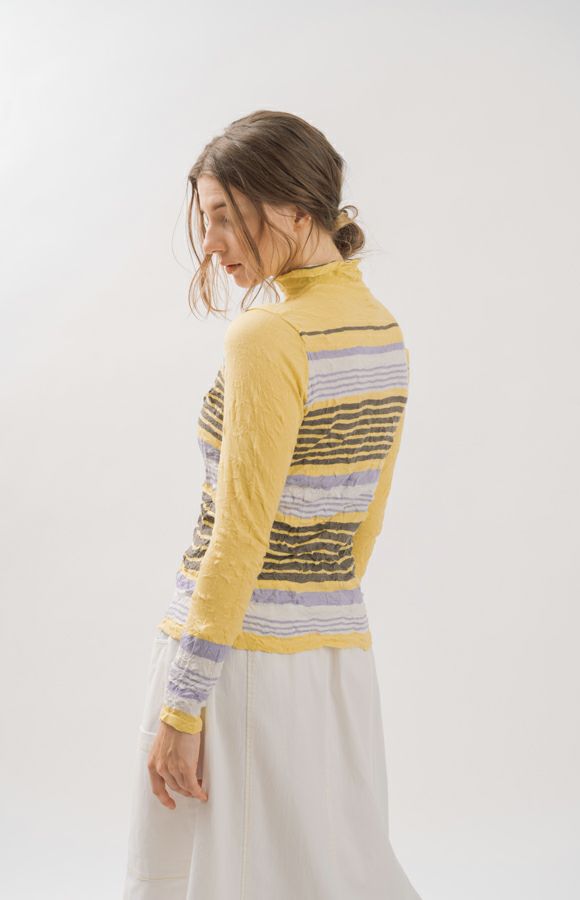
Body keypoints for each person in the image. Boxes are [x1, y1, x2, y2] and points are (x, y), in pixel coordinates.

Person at [123, 109, 422, 899]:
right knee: (334, 874)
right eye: (207, 218)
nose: (210, 243)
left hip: (235, 665)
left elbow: (237, 536)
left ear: (294, 210)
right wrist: (310, 624)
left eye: (225, 215)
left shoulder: (268, 336)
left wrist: (183, 708)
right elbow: (365, 527)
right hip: (334, 662)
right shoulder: (382, 331)